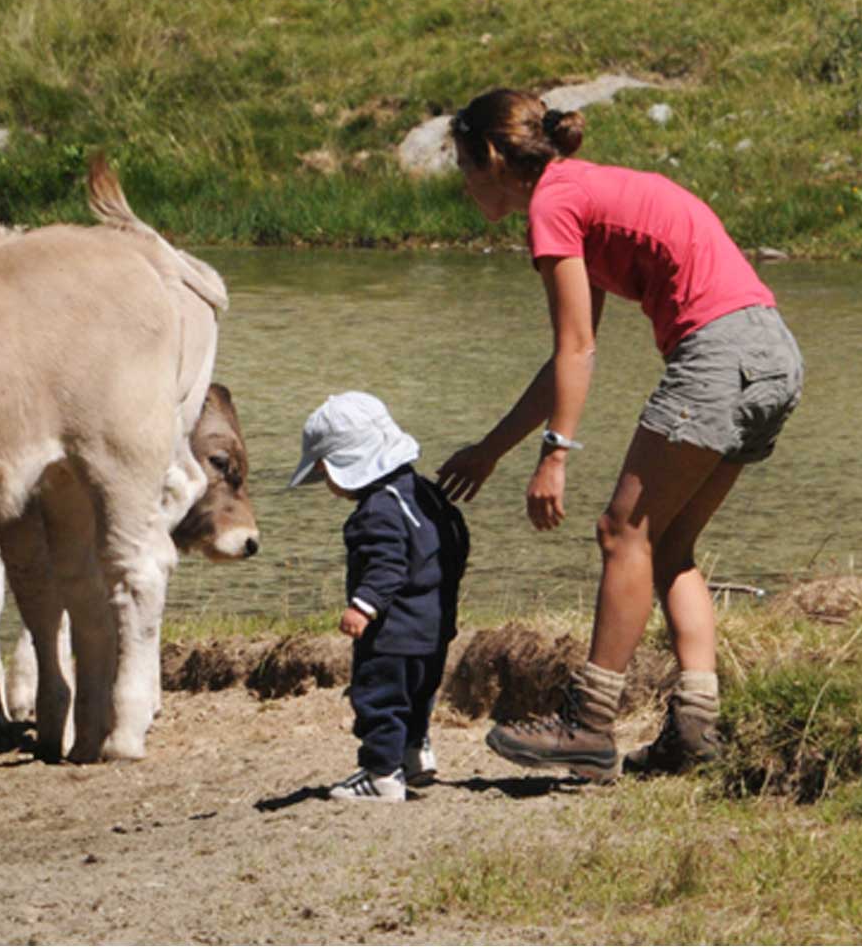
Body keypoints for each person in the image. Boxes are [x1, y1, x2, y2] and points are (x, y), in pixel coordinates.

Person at [436, 88, 804, 780]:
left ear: (491, 156)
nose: (462, 184)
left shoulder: (552, 204)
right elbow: (569, 357)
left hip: (720, 353)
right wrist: (492, 450)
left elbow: (577, 349)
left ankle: (588, 724)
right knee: (665, 546)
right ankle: (696, 728)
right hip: (772, 355)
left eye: (462, 166)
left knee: (620, 532)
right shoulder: (583, 191)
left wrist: (556, 456)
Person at [290, 391, 470, 802]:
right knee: (419, 694)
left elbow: (387, 564)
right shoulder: (425, 492)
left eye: (324, 469)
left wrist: (363, 605)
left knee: (380, 699)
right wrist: (443, 592)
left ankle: (381, 773)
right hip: (433, 625)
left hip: (392, 632)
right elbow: (457, 538)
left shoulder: (376, 509)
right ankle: (414, 751)